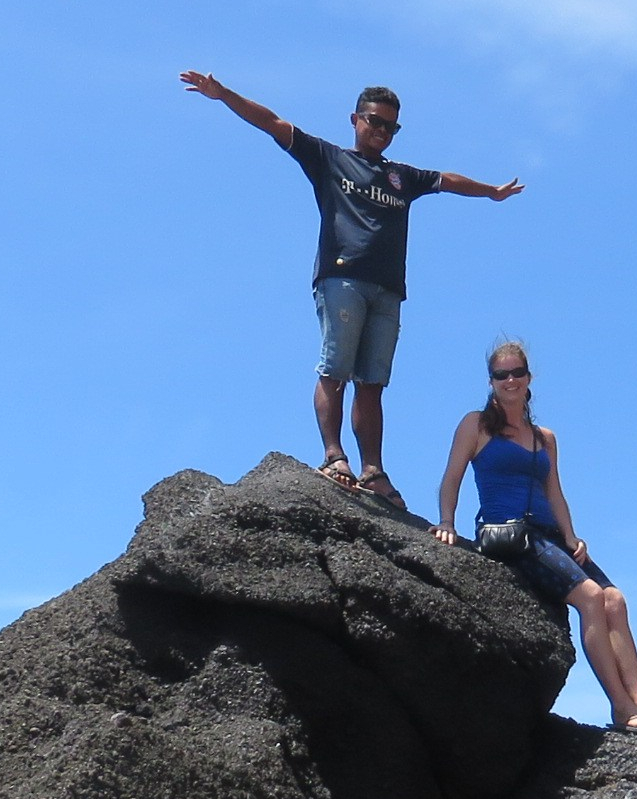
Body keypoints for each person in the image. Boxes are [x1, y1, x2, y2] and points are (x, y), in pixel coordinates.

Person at [180, 73, 523, 509]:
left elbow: (447, 180)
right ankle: (333, 455)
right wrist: (223, 94)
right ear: (355, 119)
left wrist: (491, 192)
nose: (381, 131)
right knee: (335, 369)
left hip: (388, 289)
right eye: (374, 121)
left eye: (390, 127)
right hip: (342, 279)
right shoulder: (329, 159)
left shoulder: (401, 177)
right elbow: (272, 123)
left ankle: (373, 471)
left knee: (373, 383)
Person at [433, 341, 637, 735]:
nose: (510, 380)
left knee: (615, 600)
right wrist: (446, 522)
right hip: (511, 535)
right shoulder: (477, 425)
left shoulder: (544, 438)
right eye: (502, 375)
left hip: (549, 534)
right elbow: (452, 477)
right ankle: (621, 708)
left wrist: (571, 536)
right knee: (590, 596)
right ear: (491, 381)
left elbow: (554, 493)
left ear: (528, 378)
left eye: (517, 372)